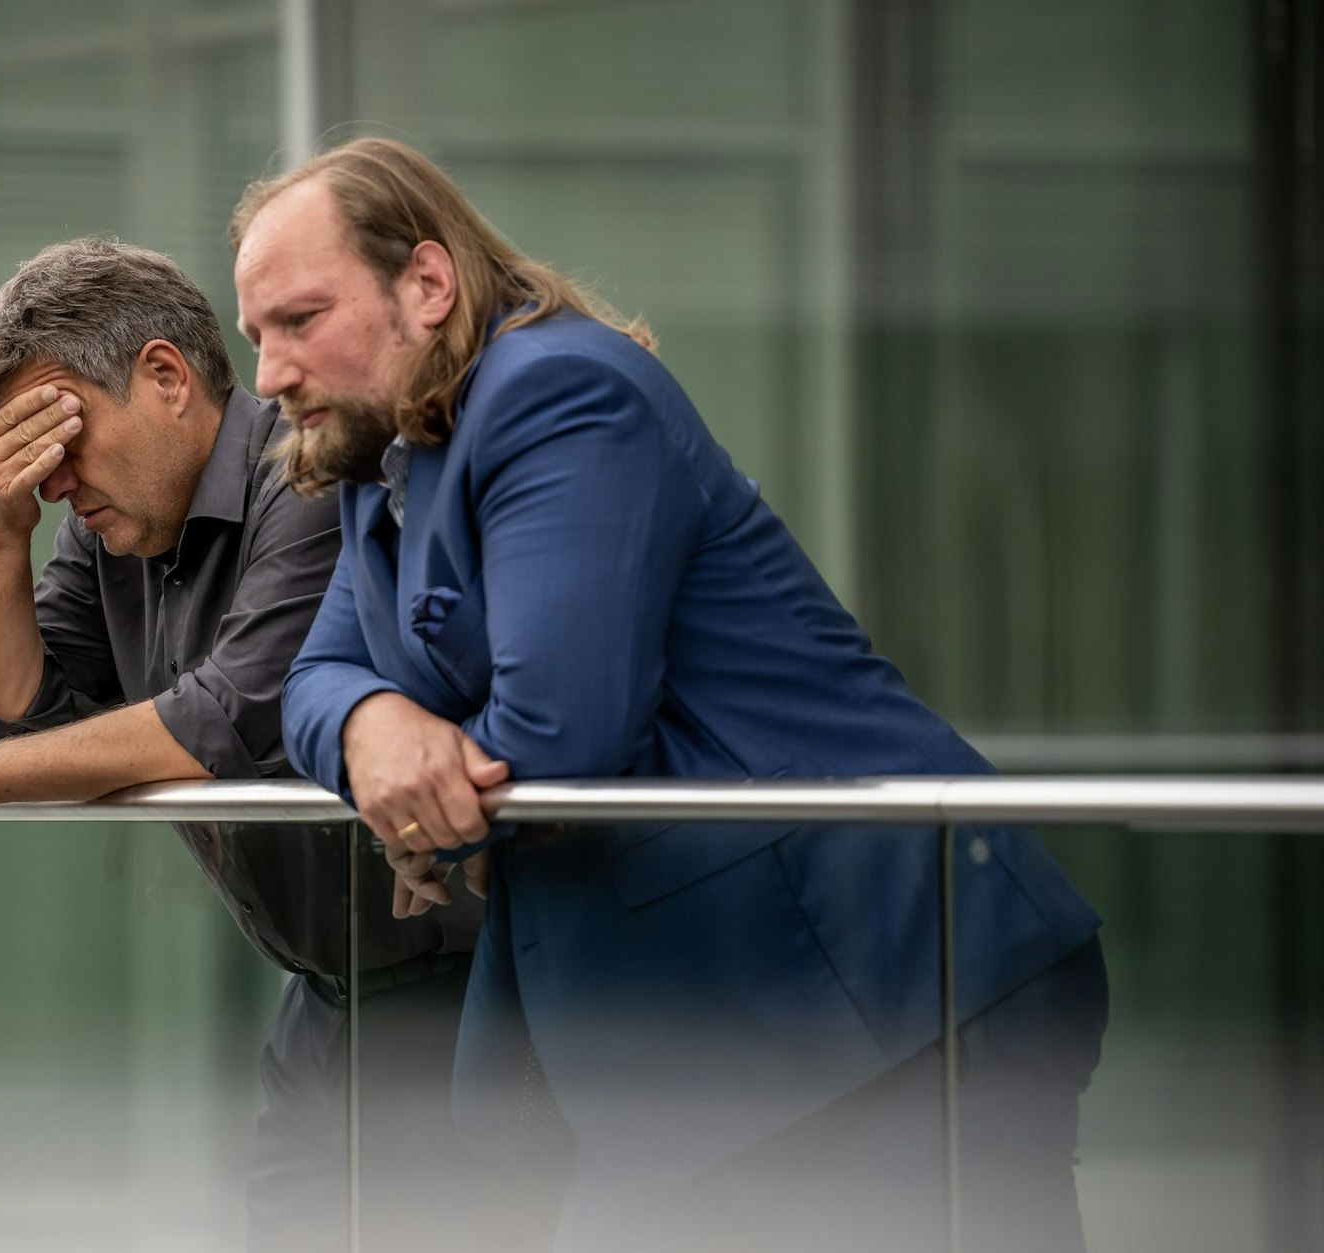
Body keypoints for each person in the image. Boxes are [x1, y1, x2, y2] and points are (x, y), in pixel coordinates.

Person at [232, 139, 1108, 1253]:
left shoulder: (555, 389)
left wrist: (432, 804)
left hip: (884, 983)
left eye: (298, 320)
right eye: (255, 333)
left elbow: (560, 735)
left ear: (427, 283)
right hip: (707, 1039)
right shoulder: (386, 462)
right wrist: (371, 730)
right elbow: (308, 683)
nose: (266, 374)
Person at [0, 238, 507, 1251]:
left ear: (164, 377)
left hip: (462, 991)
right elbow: (4, 715)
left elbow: (231, 717)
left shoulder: (303, 477)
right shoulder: (103, 532)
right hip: (320, 998)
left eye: (60, 438)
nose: (51, 483)